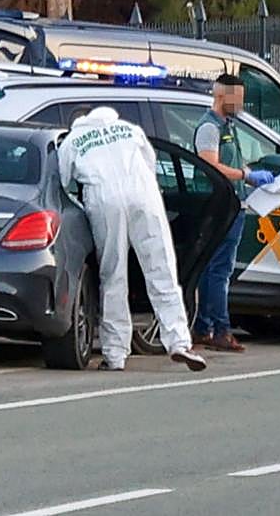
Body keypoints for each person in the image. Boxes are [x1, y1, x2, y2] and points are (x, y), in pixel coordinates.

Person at [58, 106, 207, 372]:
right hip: (144, 195)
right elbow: (150, 162)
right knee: (162, 269)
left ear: (77, 122)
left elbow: (63, 180)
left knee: (113, 275)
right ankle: (179, 342)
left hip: (105, 200)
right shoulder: (130, 129)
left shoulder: (73, 140)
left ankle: (115, 354)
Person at [192, 74, 274, 353]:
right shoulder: (209, 128)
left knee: (213, 269)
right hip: (219, 208)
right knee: (220, 271)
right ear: (220, 96)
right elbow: (210, 165)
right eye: (236, 98)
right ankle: (220, 330)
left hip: (231, 204)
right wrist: (245, 175)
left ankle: (203, 328)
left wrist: (247, 175)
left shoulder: (228, 126)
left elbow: (229, 161)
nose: (240, 104)